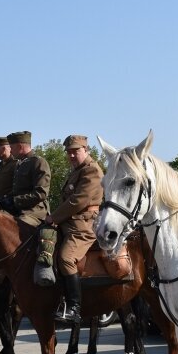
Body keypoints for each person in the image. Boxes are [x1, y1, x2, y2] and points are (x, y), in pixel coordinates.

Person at [47, 135, 103, 324]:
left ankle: (74, 307)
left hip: (83, 225)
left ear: (86, 150)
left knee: (66, 258)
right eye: (69, 152)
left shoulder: (92, 171)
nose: (71, 155)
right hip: (68, 222)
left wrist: (53, 217)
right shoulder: (76, 171)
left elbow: (78, 201)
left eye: (75, 151)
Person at [1, 131, 50, 227]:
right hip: (18, 209)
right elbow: (18, 190)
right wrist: (4, 199)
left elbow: (41, 193)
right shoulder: (20, 163)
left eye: (12, 147)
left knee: (16, 227)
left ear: (20, 147)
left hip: (34, 211)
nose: (10, 151)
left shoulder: (38, 162)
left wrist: (14, 201)